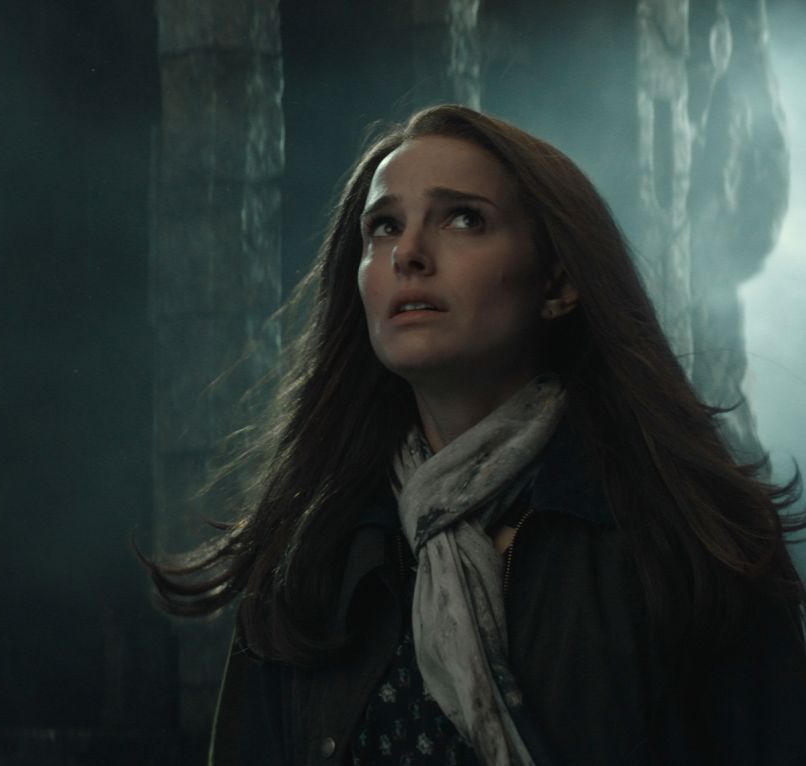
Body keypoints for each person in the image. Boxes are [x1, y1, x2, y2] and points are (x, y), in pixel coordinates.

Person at [140, 104, 806, 765]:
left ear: (558, 281)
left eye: (463, 219)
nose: (408, 254)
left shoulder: (683, 538)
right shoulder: (311, 553)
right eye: (383, 226)